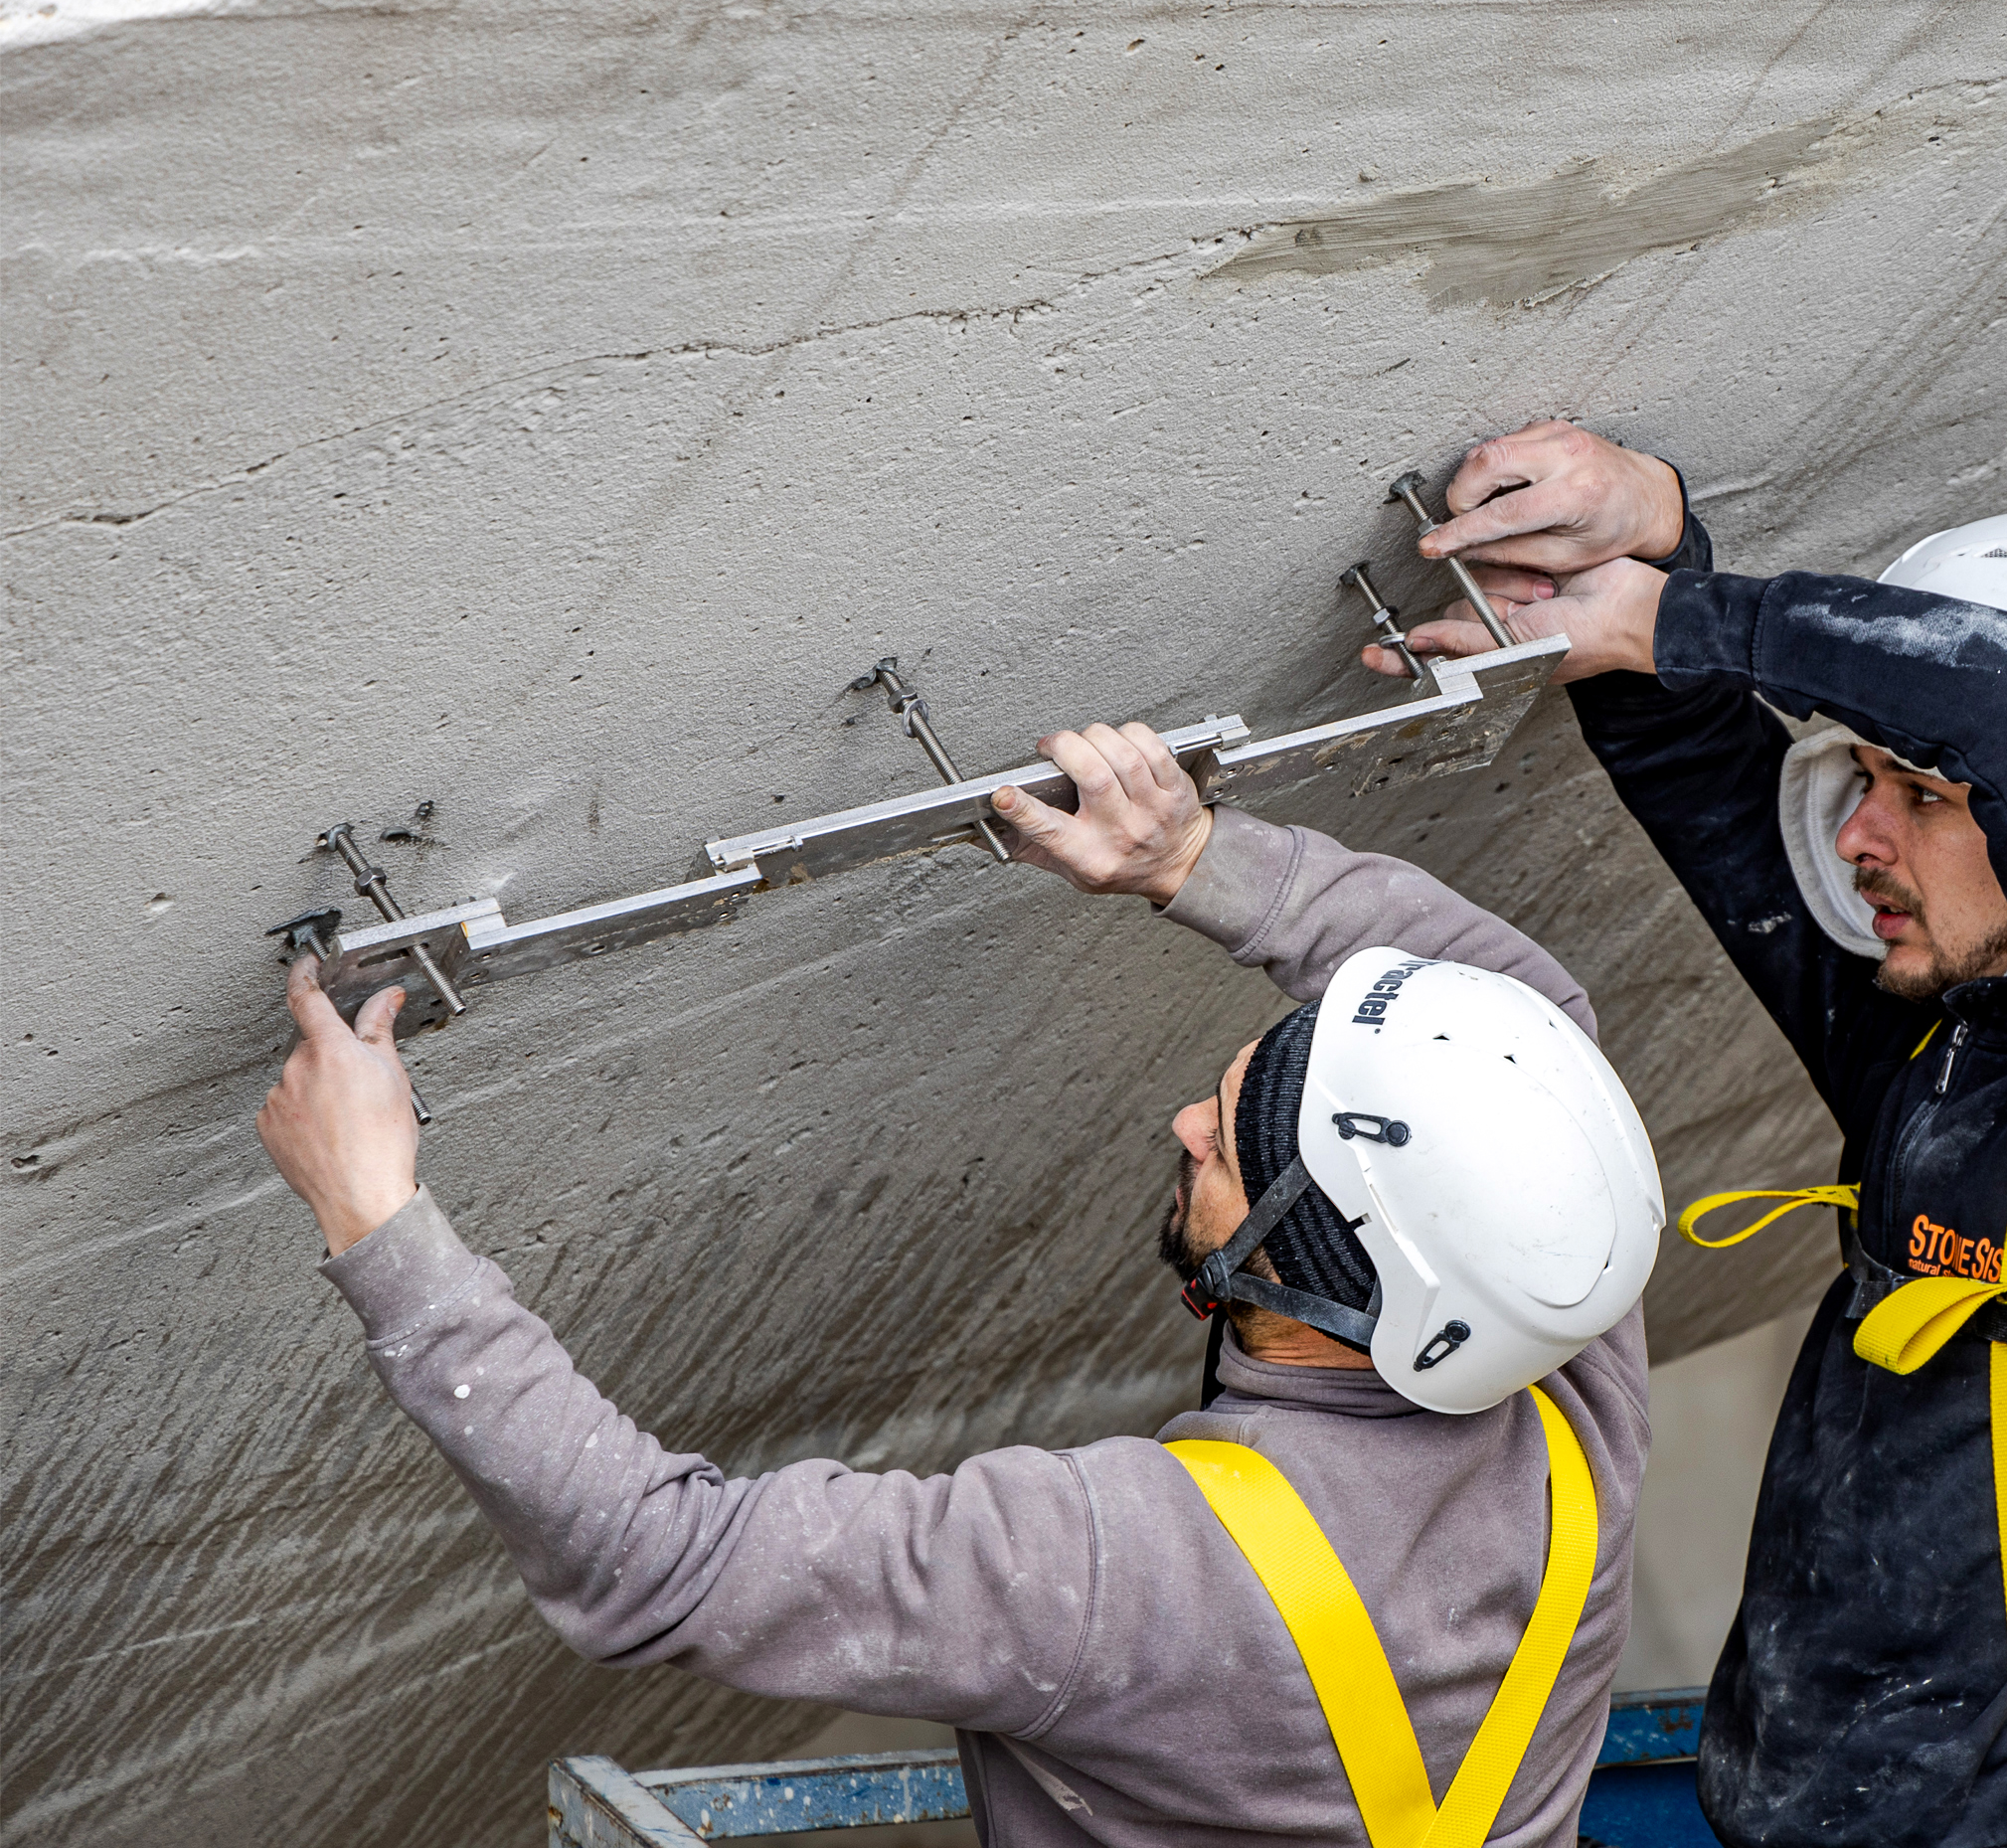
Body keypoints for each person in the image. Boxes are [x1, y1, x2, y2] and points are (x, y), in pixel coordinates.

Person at [253, 721, 1666, 1848]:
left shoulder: (1123, 1572)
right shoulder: (1564, 1362)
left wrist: (376, 1216)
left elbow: (657, 1564)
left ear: (1313, 1278)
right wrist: (1190, 855)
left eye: (1226, 1144)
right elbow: (1525, 1019)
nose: (1183, 1125)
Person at [1361, 421, 2007, 1848]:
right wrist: (1651, 554)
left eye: (1923, 795)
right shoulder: (1953, 1040)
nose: (1857, 839)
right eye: (1862, 784)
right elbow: (1718, 787)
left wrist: (1679, 612)